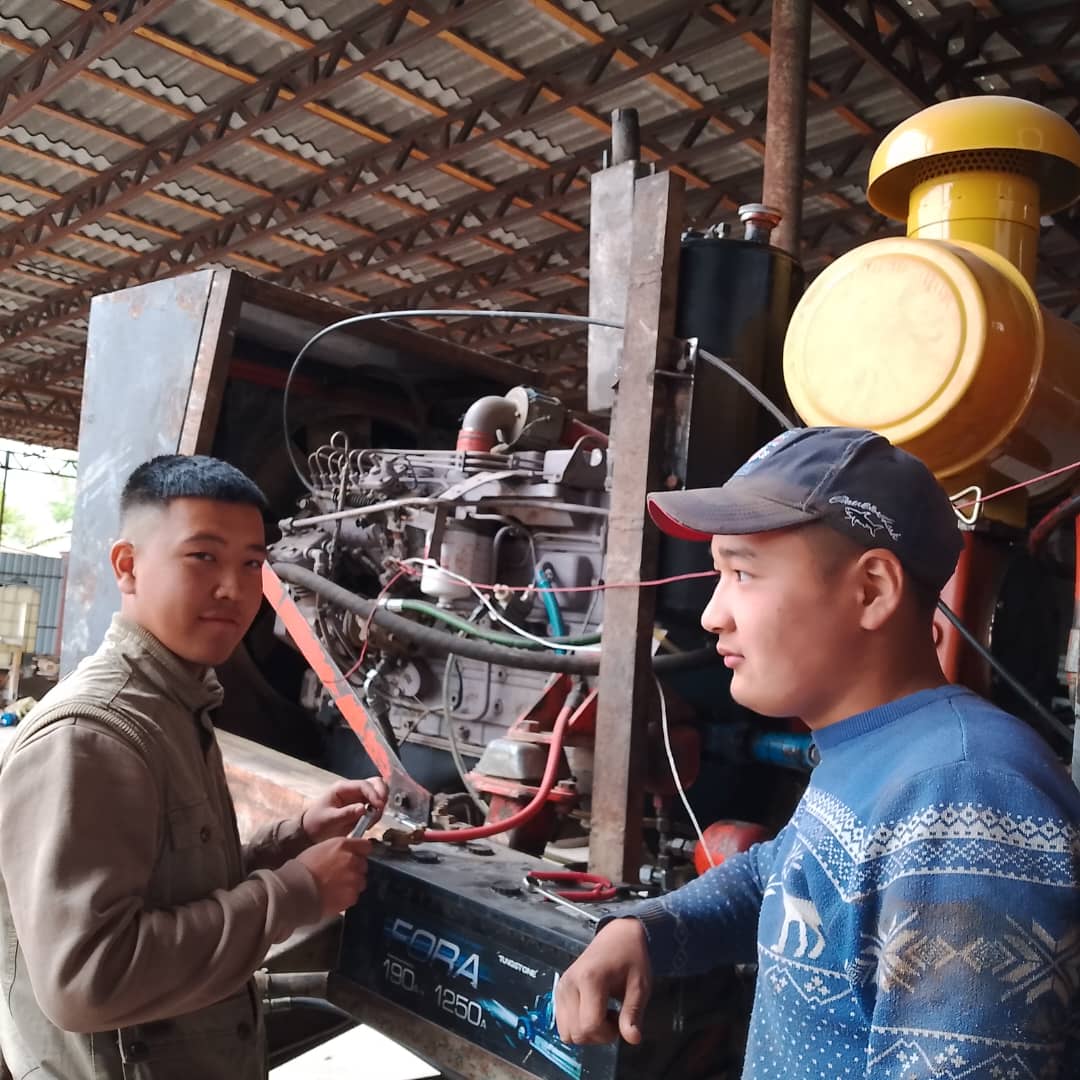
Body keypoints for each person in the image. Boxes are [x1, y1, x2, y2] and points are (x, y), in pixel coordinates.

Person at [555, 426, 1080, 1077]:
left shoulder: (962, 796)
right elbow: (790, 873)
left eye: (743, 573)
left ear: (871, 591)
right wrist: (648, 930)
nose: (713, 615)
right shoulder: (878, 749)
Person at [0, 455, 387, 1080]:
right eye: (202, 557)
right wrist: (298, 893)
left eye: (252, 564)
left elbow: (174, 888)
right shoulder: (91, 735)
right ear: (128, 566)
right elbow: (86, 981)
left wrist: (295, 839)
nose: (234, 589)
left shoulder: (177, 704)